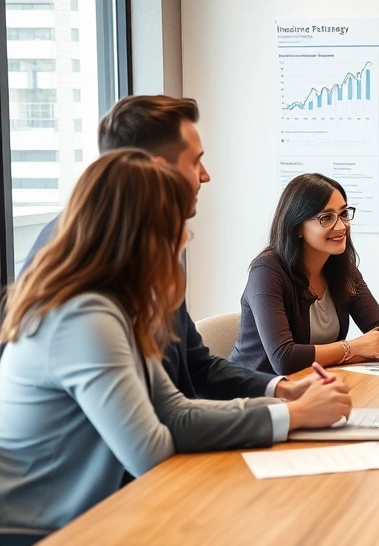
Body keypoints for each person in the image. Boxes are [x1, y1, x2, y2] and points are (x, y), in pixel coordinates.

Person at [0, 150, 352, 533]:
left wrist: (287, 400)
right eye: (176, 223)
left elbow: (174, 411)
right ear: (135, 231)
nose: (187, 235)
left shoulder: (121, 304)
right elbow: (150, 451)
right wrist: (295, 415)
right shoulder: (83, 319)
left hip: (94, 508)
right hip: (42, 530)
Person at [19, 96, 316, 407]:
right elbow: (151, 419)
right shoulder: (81, 258)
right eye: (195, 161)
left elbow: (196, 366)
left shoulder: (152, 246)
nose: (205, 175)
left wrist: (281, 390)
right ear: (156, 170)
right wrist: (286, 416)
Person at [229, 173, 379, 375]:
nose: (342, 226)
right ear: (297, 227)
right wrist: (352, 348)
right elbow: (284, 359)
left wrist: (351, 352)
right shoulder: (267, 271)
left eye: (343, 214)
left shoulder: (342, 268)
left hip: (309, 386)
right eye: (326, 218)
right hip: (252, 393)